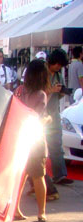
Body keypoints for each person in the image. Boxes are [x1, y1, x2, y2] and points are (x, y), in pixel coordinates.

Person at [14, 60, 51, 222]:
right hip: (35, 138)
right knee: (38, 176)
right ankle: (41, 212)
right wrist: (48, 119)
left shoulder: (19, 90)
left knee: (20, 176)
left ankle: (15, 209)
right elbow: (37, 117)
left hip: (18, 137)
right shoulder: (41, 94)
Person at [45, 49, 74, 186]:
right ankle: (35, 177)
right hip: (40, 113)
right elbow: (35, 92)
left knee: (56, 144)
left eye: (60, 65)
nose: (58, 67)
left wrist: (62, 91)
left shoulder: (58, 75)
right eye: (57, 64)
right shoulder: (41, 72)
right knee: (36, 148)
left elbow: (59, 95)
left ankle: (60, 175)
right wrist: (51, 90)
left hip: (53, 113)